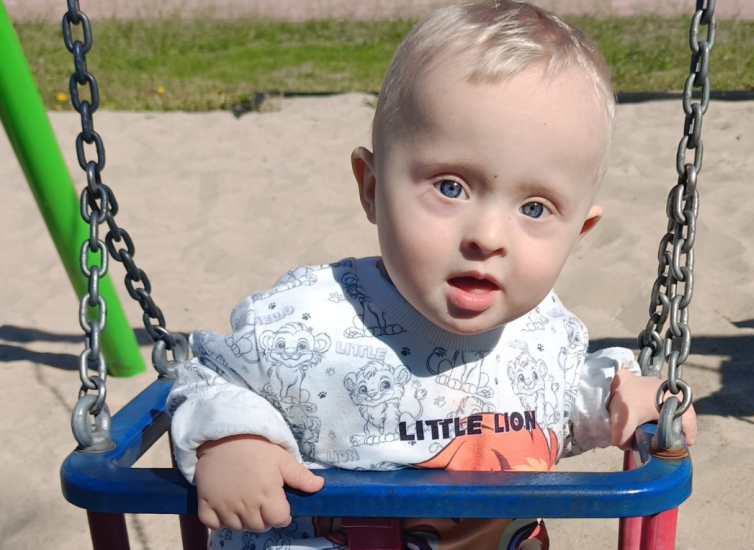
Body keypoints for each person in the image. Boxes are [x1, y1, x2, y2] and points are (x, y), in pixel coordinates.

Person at [167, 2, 697, 549]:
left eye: (535, 208)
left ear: (578, 233)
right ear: (372, 187)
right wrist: (232, 440)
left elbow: (557, 408)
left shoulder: (546, 334)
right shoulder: (307, 324)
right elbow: (209, 379)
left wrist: (617, 398)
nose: (488, 236)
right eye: (450, 187)